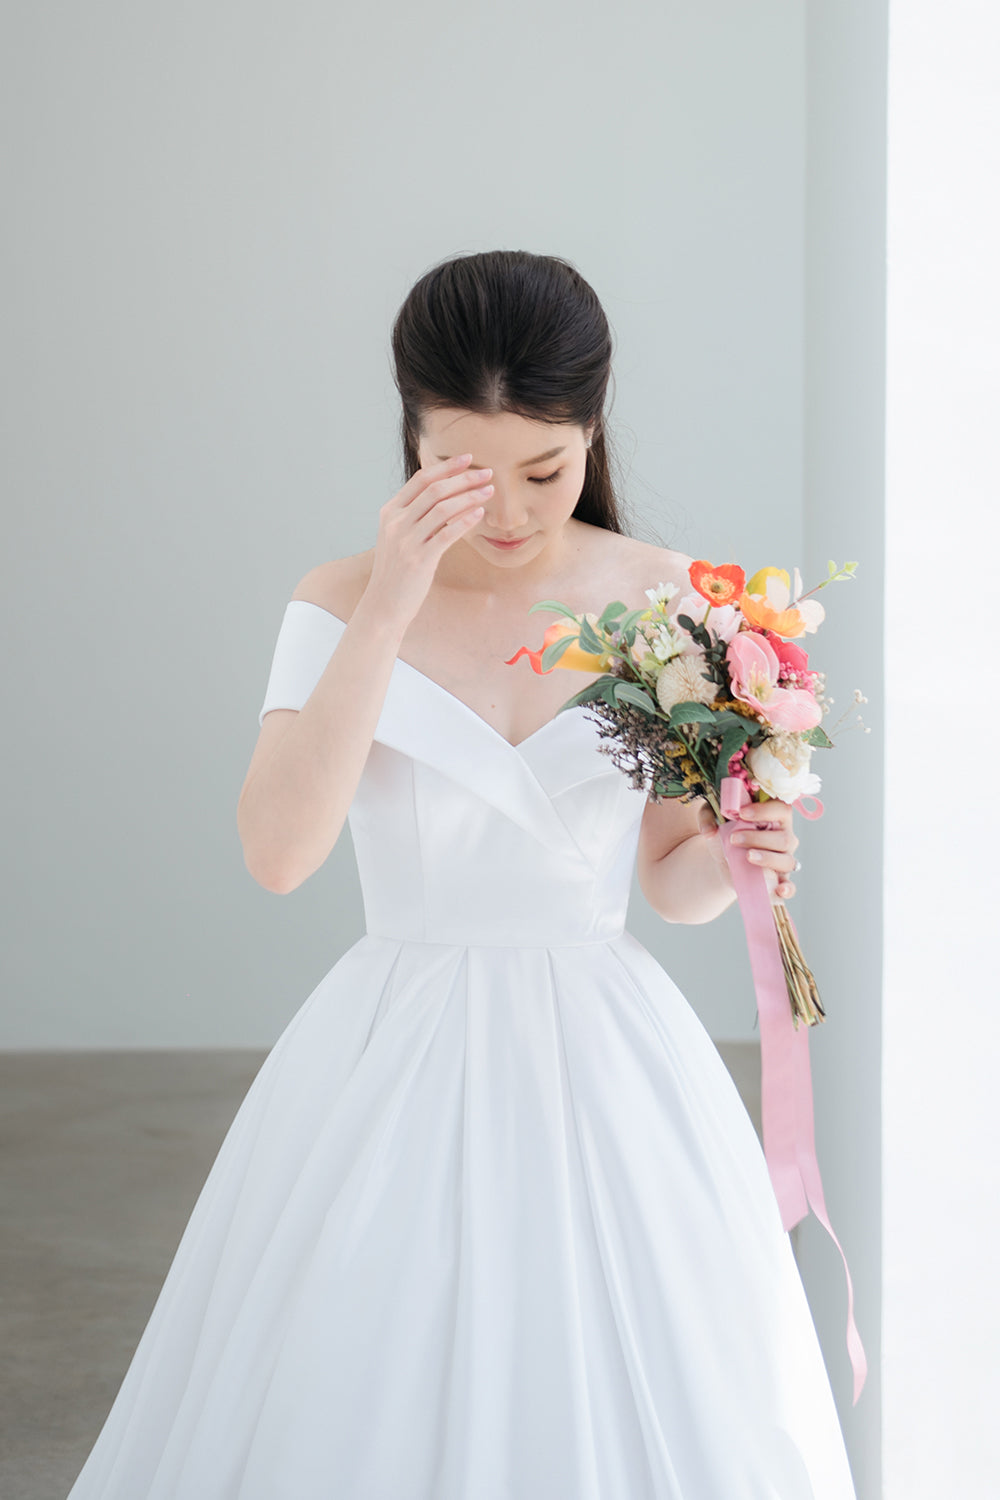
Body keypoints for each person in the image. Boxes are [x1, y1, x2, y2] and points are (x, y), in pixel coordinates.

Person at [65, 250, 857, 1498]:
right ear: (411, 437)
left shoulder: (659, 599)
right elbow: (278, 855)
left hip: (606, 1051)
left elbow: (668, 883)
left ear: (591, 433)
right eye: (463, 472)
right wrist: (387, 606)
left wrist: (735, 854)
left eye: (543, 471)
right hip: (395, 1044)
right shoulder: (336, 602)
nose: (507, 512)